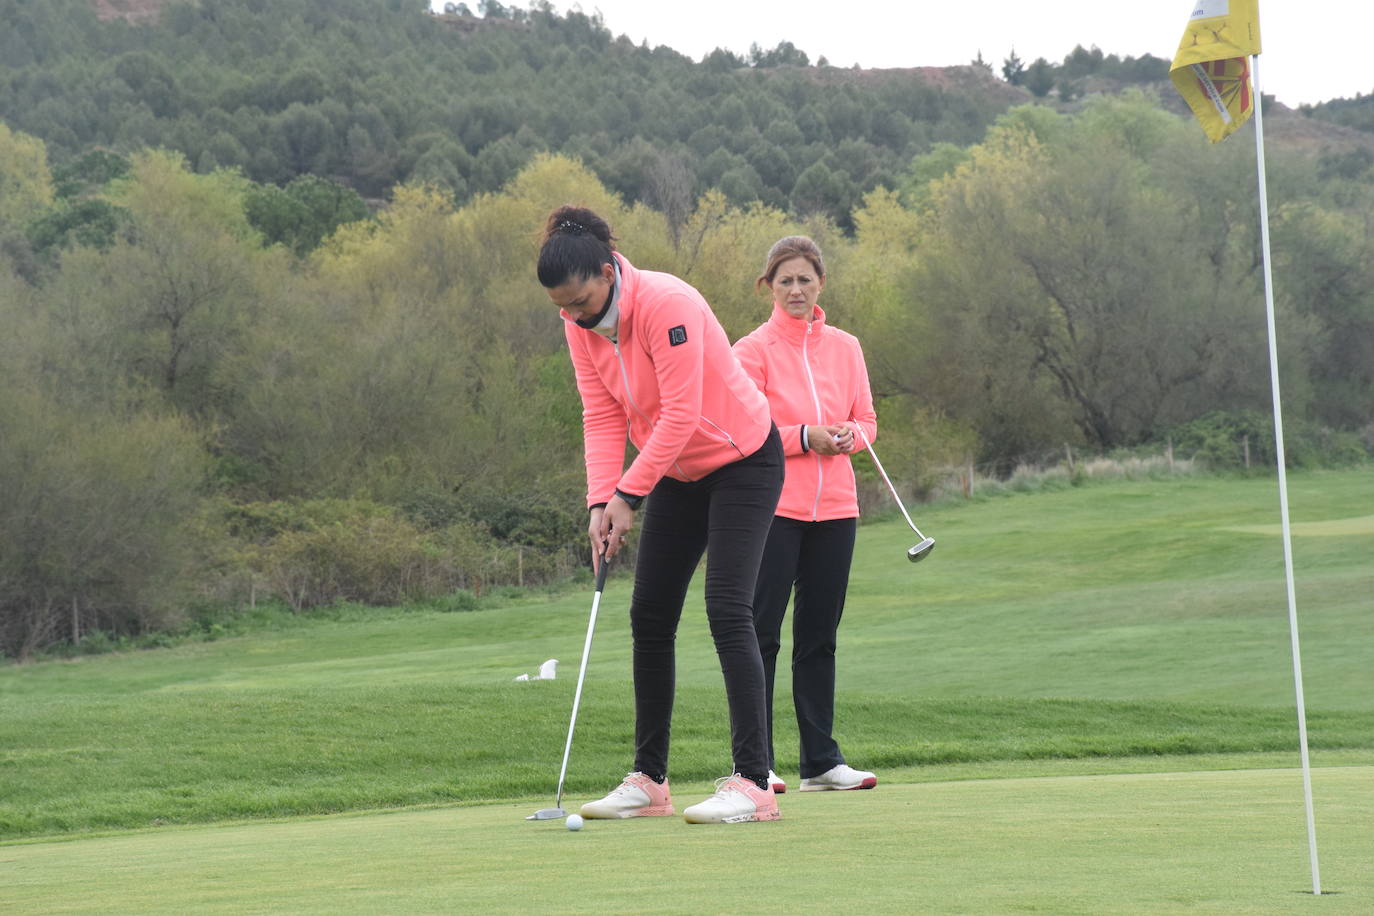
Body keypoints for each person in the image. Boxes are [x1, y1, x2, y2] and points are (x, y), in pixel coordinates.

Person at [537, 205, 785, 825]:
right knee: (649, 615)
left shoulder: (666, 303)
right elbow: (600, 414)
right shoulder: (579, 324)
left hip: (743, 460)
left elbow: (680, 411)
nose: (576, 315)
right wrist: (601, 500)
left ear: (606, 271)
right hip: (675, 470)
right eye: (564, 308)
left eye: (583, 301)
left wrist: (629, 495)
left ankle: (754, 783)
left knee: (728, 608)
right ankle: (650, 780)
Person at [732, 235, 879, 794]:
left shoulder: (847, 346)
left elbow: (866, 418)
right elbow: (748, 430)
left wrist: (849, 436)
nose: (796, 289)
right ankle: (757, 763)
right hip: (773, 509)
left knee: (819, 636)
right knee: (761, 634)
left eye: (805, 279)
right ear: (768, 286)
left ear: (821, 282)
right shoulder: (750, 351)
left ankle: (820, 759)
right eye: (785, 280)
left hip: (837, 509)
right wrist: (804, 436)